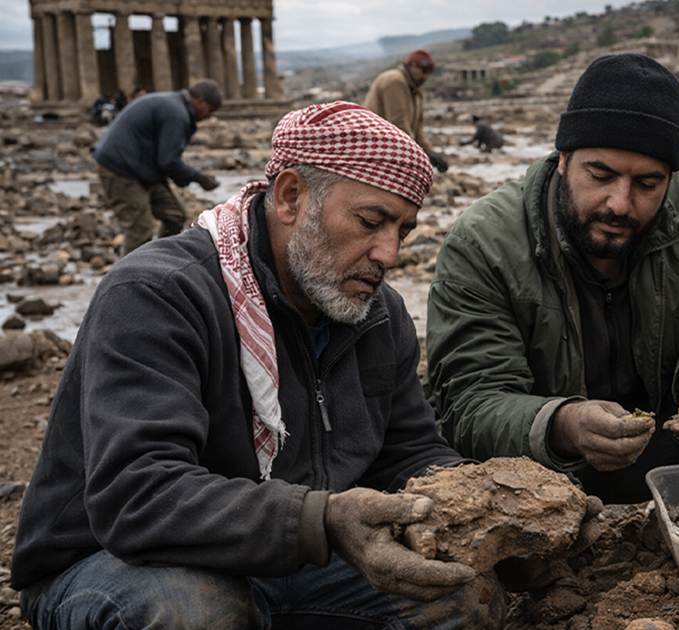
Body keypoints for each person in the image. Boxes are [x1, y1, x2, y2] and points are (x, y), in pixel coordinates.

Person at [12, 102, 513, 629]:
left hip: (288, 555)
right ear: (291, 196)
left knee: (462, 596)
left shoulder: (374, 312)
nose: (389, 253)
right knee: (195, 611)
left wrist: (494, 502)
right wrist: (322, 521)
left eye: (403, 231)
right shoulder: (159, 293)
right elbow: (139, 495)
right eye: (370, 222)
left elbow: (407, 450)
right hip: (117, 560)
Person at [424, 53, 679, 505]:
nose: (620, 204)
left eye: (647, 184)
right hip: (545, 467)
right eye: (600, 175)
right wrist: (561, 424)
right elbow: (473, 402)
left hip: (656, 444)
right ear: (563, 159)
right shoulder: (483, 241)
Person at [92, 78, 223, 256]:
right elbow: (168, 161)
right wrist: (198, 178)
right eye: (210, 110)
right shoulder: (177, 114)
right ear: (201, 102)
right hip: (119, 169)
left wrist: (186, 177)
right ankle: (130, 279)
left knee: (174, 215)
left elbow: (165, 159)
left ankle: (158, 261)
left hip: (141, 168)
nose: (210, 116)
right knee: (139, 230)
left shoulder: (175, 106)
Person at [363, 49, 449, 173]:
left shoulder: (416, 89)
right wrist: (423, 156)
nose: (426, 77)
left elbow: (418, 129)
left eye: (428, 73)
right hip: (378, 149)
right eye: (424, 72)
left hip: (394, 149)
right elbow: (399, 125)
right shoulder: (395, 81)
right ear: (413, 67)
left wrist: (431, 153)